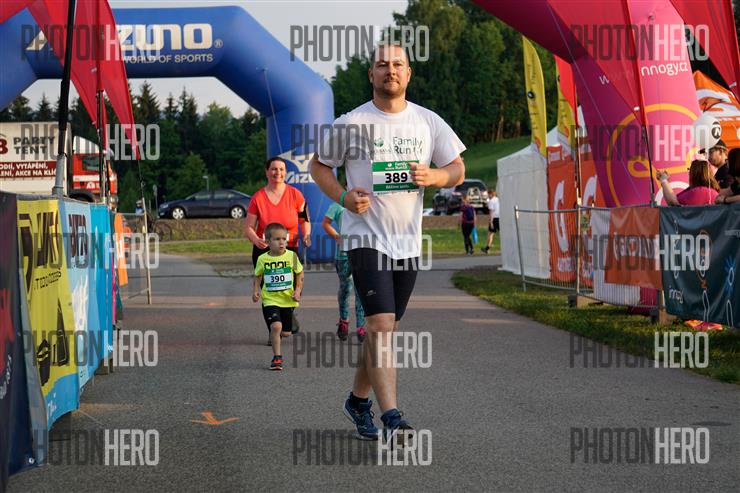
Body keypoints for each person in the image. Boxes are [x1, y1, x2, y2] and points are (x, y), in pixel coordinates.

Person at [309, 42, 466, 441]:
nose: (390, 70)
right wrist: (343, 197)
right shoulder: (352, 122)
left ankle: (358, 401)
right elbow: (319, 165)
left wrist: (436, 177)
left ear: (408, 73)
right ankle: (393, 416)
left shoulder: (428, 122)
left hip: (406, 242)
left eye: (397, 64)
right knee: (379, 324)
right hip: (365, 236)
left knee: (387, 327)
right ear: (372, 75)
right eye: (382, 65)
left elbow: (457, 168)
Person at [246, 156, 311, 342]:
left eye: (281, 169)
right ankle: (273, 330)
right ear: (267, 172)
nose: (278, 172)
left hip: (290, 249)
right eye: (274, 169)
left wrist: (306, 234)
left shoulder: (295, 195)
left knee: (292, 286)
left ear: (286, 172)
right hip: (264, 250)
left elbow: (304, 220)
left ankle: (287, 314)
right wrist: (256, 239)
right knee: (270, 291)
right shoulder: (258, 198)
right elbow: (248, 227)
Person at [252, 223, 304, 371]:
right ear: (268, 242)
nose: (281, 242)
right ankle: (277, 358)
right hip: (270, 299)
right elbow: (258, 275)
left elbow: (299, 273)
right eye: (277, 239)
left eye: (284, 239)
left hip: (287, 300)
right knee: (276, 326)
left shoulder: (291, 256)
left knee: (286, 333)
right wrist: (256, 290)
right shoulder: (262, 259)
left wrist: (298, 290)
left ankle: (287, 322)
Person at [322, 201, 367, 342]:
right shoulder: (338, 205)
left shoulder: (365, 202)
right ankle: (344, 320)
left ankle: (361, 326)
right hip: (343, 255)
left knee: (361, 290)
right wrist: (337, 236)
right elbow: (326, 223)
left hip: (362, 253)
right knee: (346, 288)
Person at [482, 189, 499, 254]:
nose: (488, 196)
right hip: (500, 218)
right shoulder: (498, 199)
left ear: (491, 194)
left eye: (488, 195)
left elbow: (491, 212)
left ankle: (487, 248)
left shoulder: (491, 201)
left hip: (494, 218)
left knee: (490, 234)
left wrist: (491, 222)